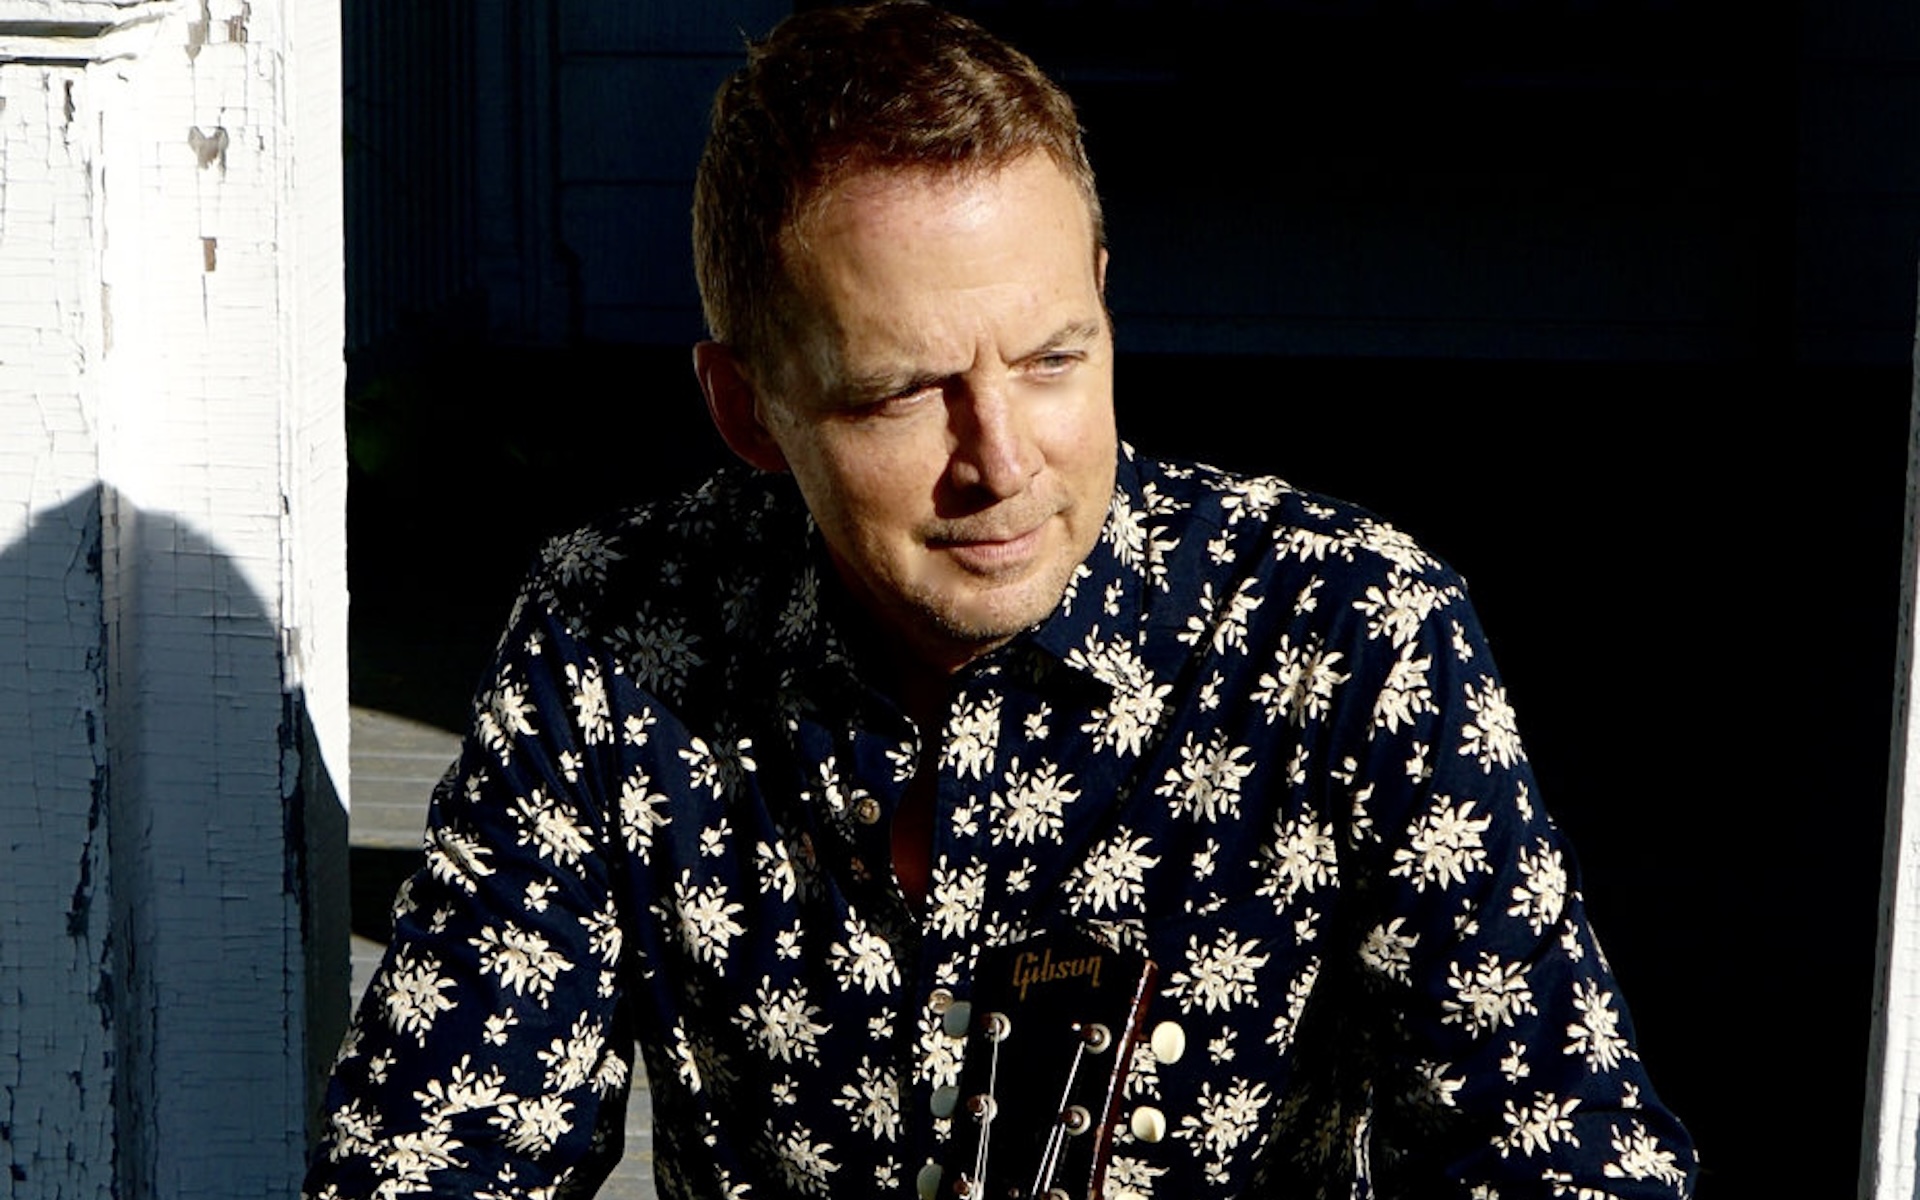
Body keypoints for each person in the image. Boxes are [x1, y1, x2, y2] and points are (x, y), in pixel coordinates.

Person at [305, 4, 1696, 1197]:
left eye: (1050, 358)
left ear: (1103, 301)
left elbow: (1568, 1156)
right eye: (905, 392)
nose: (1003, 462)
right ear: (748, 409)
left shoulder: (1352, 638)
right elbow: (431, 1153)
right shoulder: (616, 632)